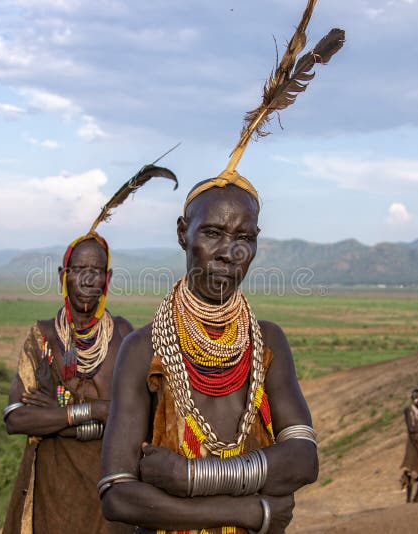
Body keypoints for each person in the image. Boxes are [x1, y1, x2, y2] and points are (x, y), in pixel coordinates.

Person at [99, 4, 344, 531]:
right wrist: (249, 508)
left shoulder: (268, 342)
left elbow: (304, 460)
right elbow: (118, 493)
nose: (228, 252)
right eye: (212, 233)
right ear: (183, 234)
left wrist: (191, 479)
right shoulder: (142, 350)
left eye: (244, 239)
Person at [2, 165, 177, 534]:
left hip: (110, 489)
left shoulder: (125, 336)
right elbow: (16, 419)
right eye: (78, 269)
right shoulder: (43, 337)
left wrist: (58, 419)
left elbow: (144, 418)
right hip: (51, 487)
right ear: (63, 275)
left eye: (96, 270)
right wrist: (97, 411)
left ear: (107, 279)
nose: (86, 278)